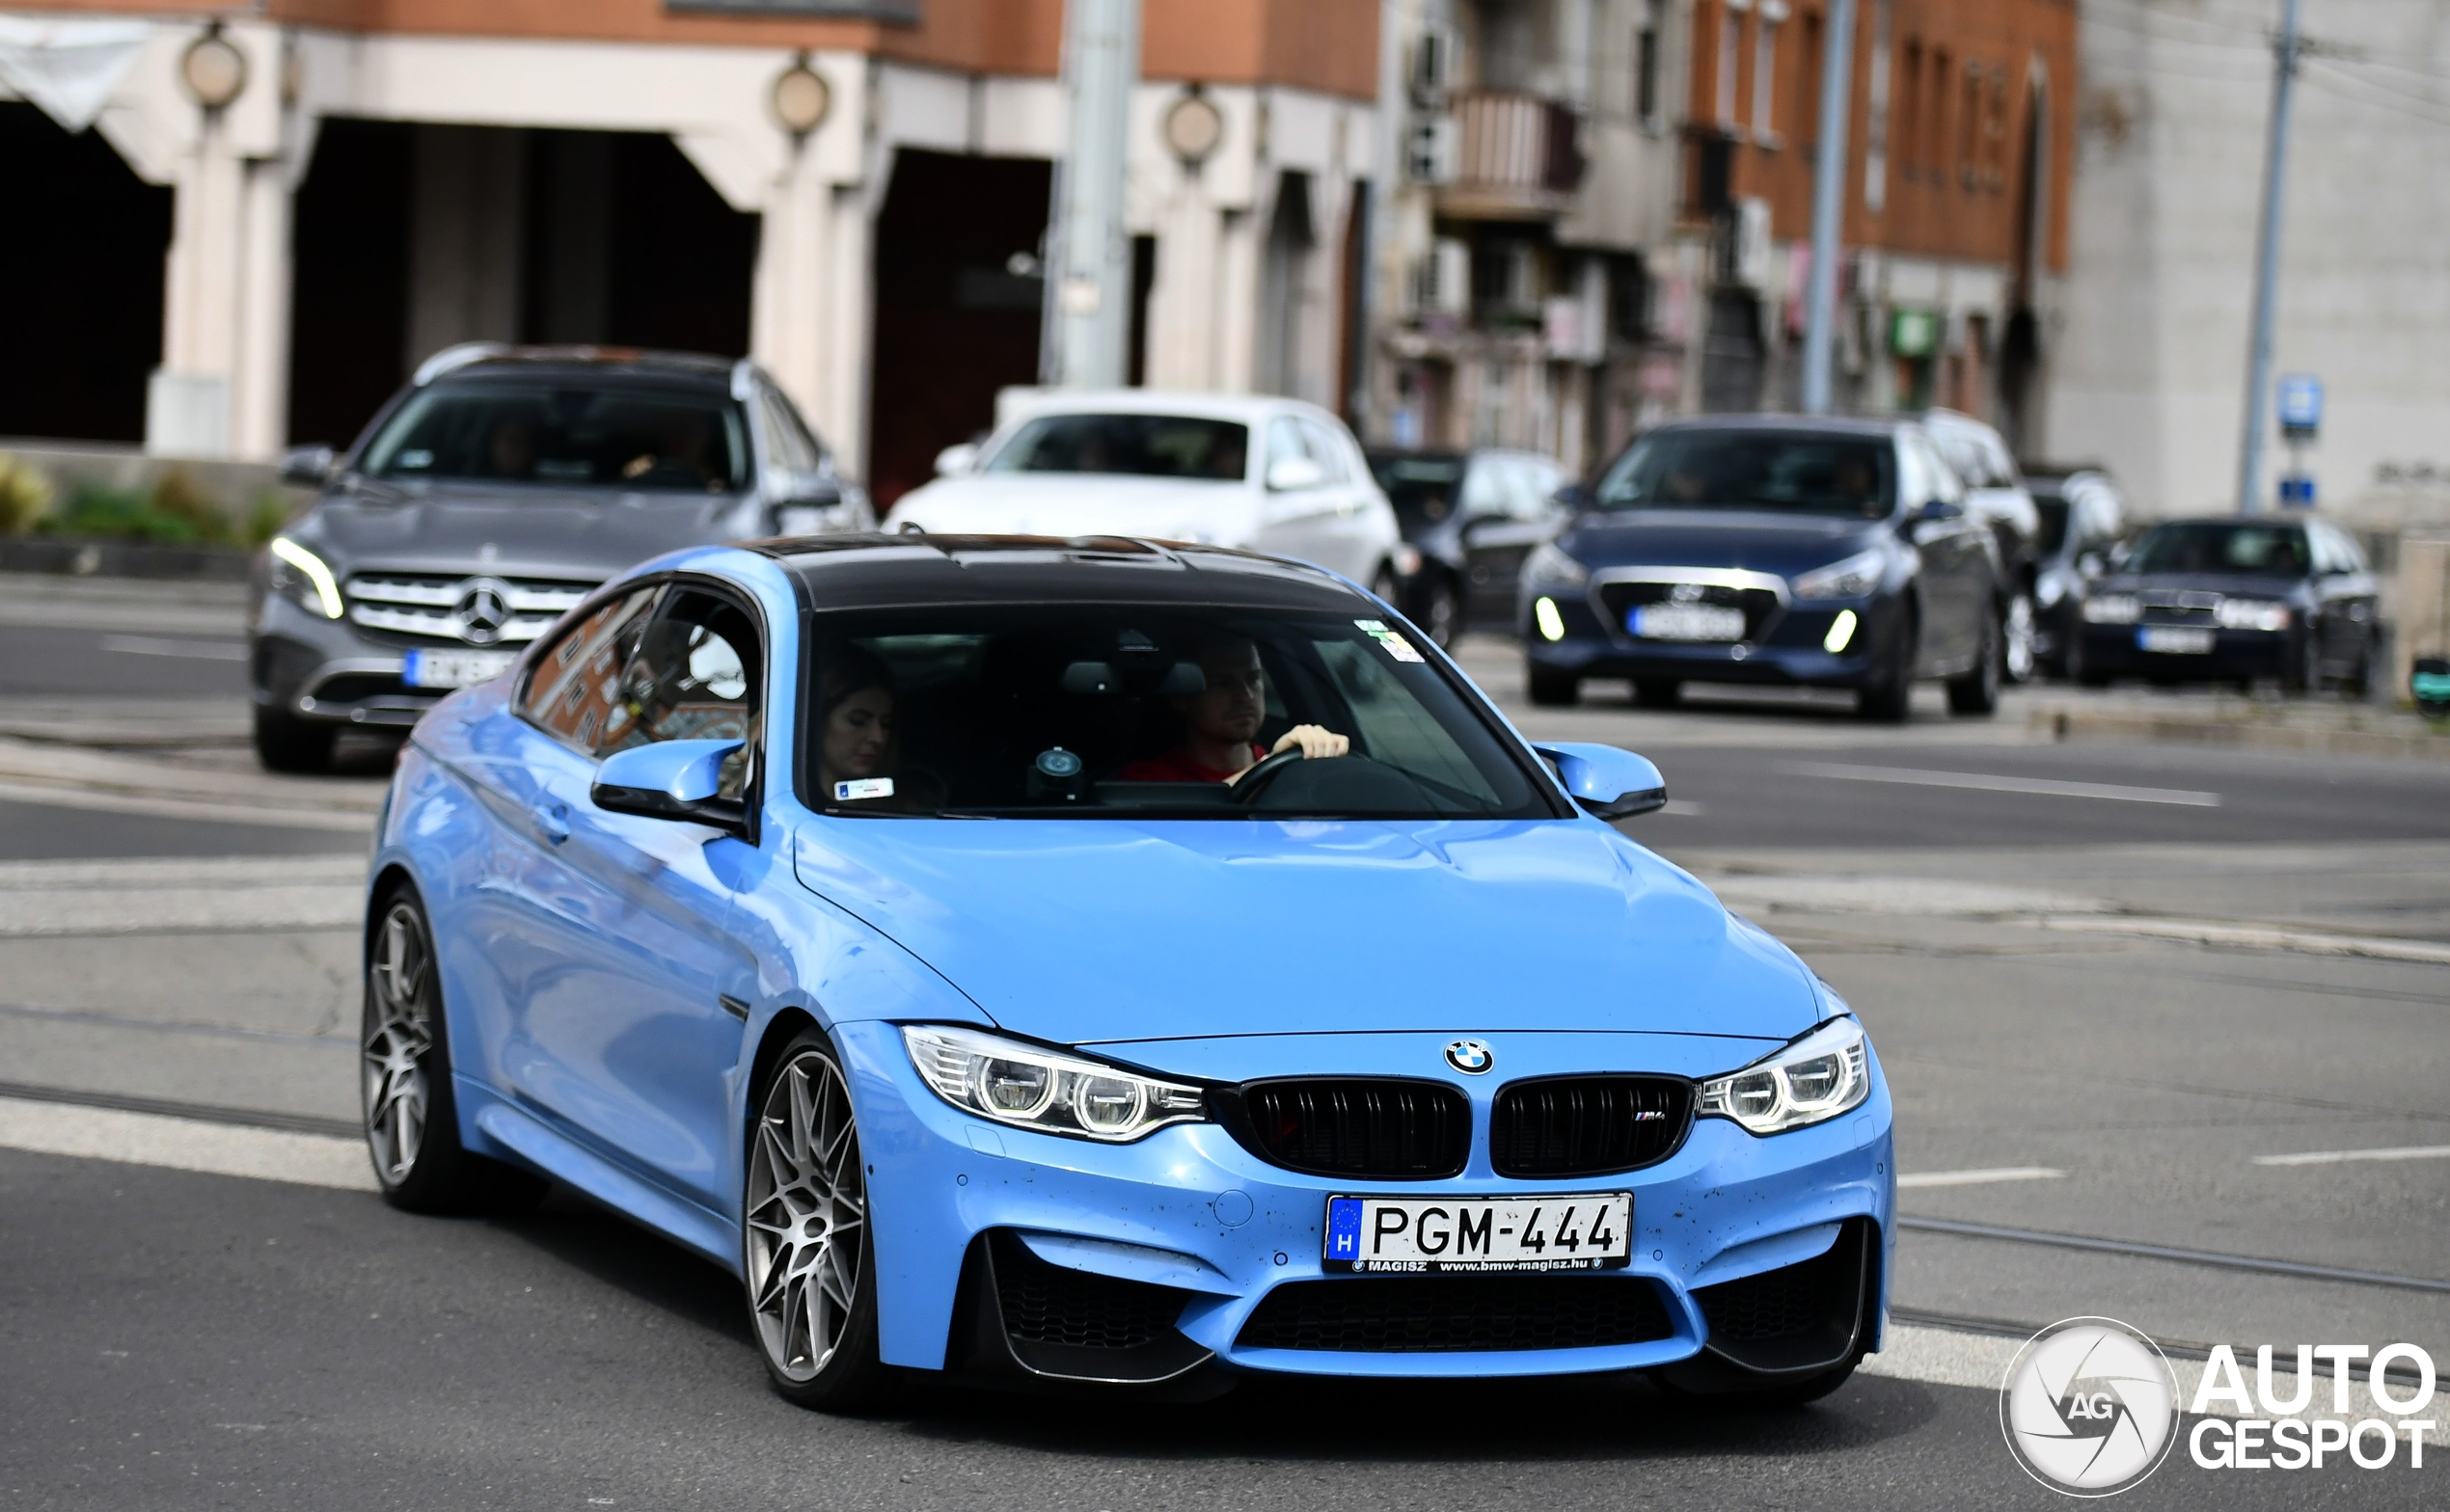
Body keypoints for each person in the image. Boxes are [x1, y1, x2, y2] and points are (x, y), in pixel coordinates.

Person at [1118, 634, 1348, 784]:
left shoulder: (1295, 765)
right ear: (1181, 697)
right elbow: (1186, 817)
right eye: (1222, 683)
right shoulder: (1148, 780)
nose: (1246, 696)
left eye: (1254, 678)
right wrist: (1271, 769)